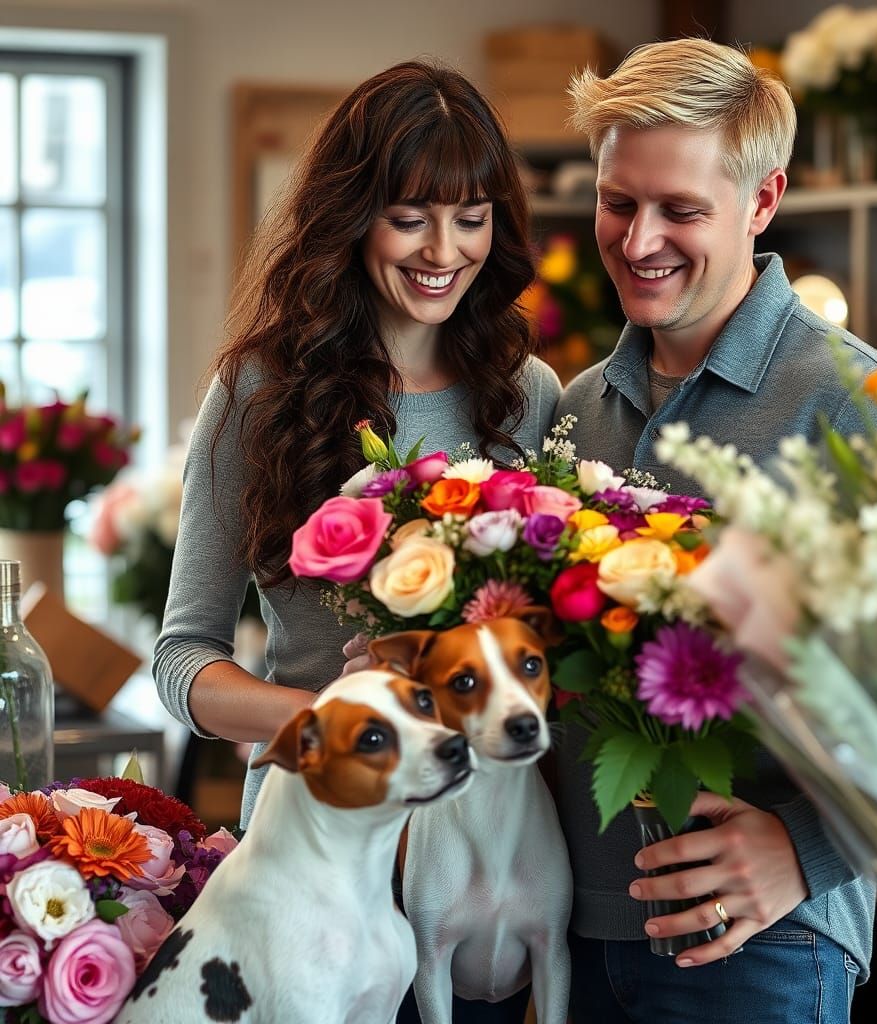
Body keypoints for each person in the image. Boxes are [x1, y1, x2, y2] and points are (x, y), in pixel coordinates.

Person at [153, 61, 560, 1024]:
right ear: (353, 215)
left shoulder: (529, 395)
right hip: (314, 876)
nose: (444, 250)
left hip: (481, 872)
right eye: (411, 214)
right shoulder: (258, 393)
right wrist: (341, 728)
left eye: (472, 217)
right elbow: (182, 658)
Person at [552, 37, 877, 1024]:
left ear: (763, 202)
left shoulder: (861, 406)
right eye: (616, 201)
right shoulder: (577, 409)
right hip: (570, 939)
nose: (637, 241)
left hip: (760, 947)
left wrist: (803, 852)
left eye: (680, 210)